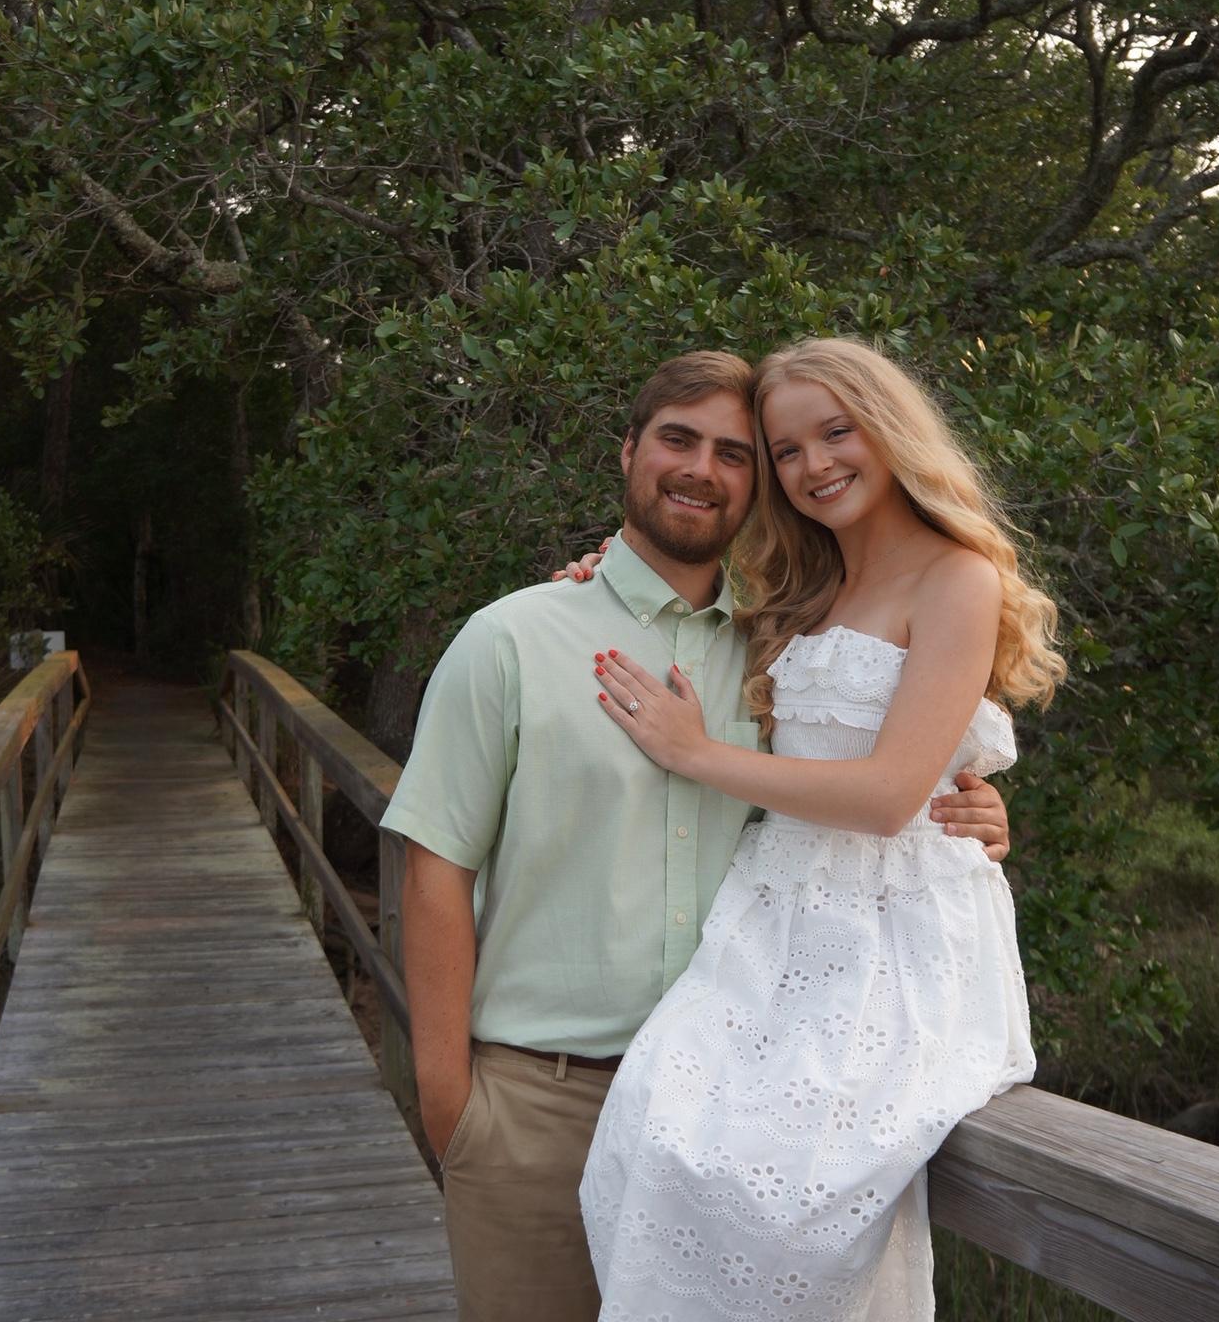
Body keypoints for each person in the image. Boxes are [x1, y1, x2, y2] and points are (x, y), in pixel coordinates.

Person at [379, 350, 1013, 1322]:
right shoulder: (516, 637)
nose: (702, 470)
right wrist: (448, 1102)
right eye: (678, 440)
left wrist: (969, 808)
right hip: (537, 1102)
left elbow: (878, 772)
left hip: (724, 1095)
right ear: (628, 451)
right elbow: (433, 867)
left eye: (736, 453)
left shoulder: (769, 639)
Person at [577, 336, 1066, 1321]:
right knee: (651, 1136)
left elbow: (889, 795)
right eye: (785, 450)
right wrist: (599, 576)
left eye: (835, 433)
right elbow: (686, 619)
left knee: (793, 1199)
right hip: (776, 913)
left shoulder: (956, 577)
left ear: (888, 430)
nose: (813, 465)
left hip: (892, 930)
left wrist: (693, 753)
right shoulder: (800, 587)